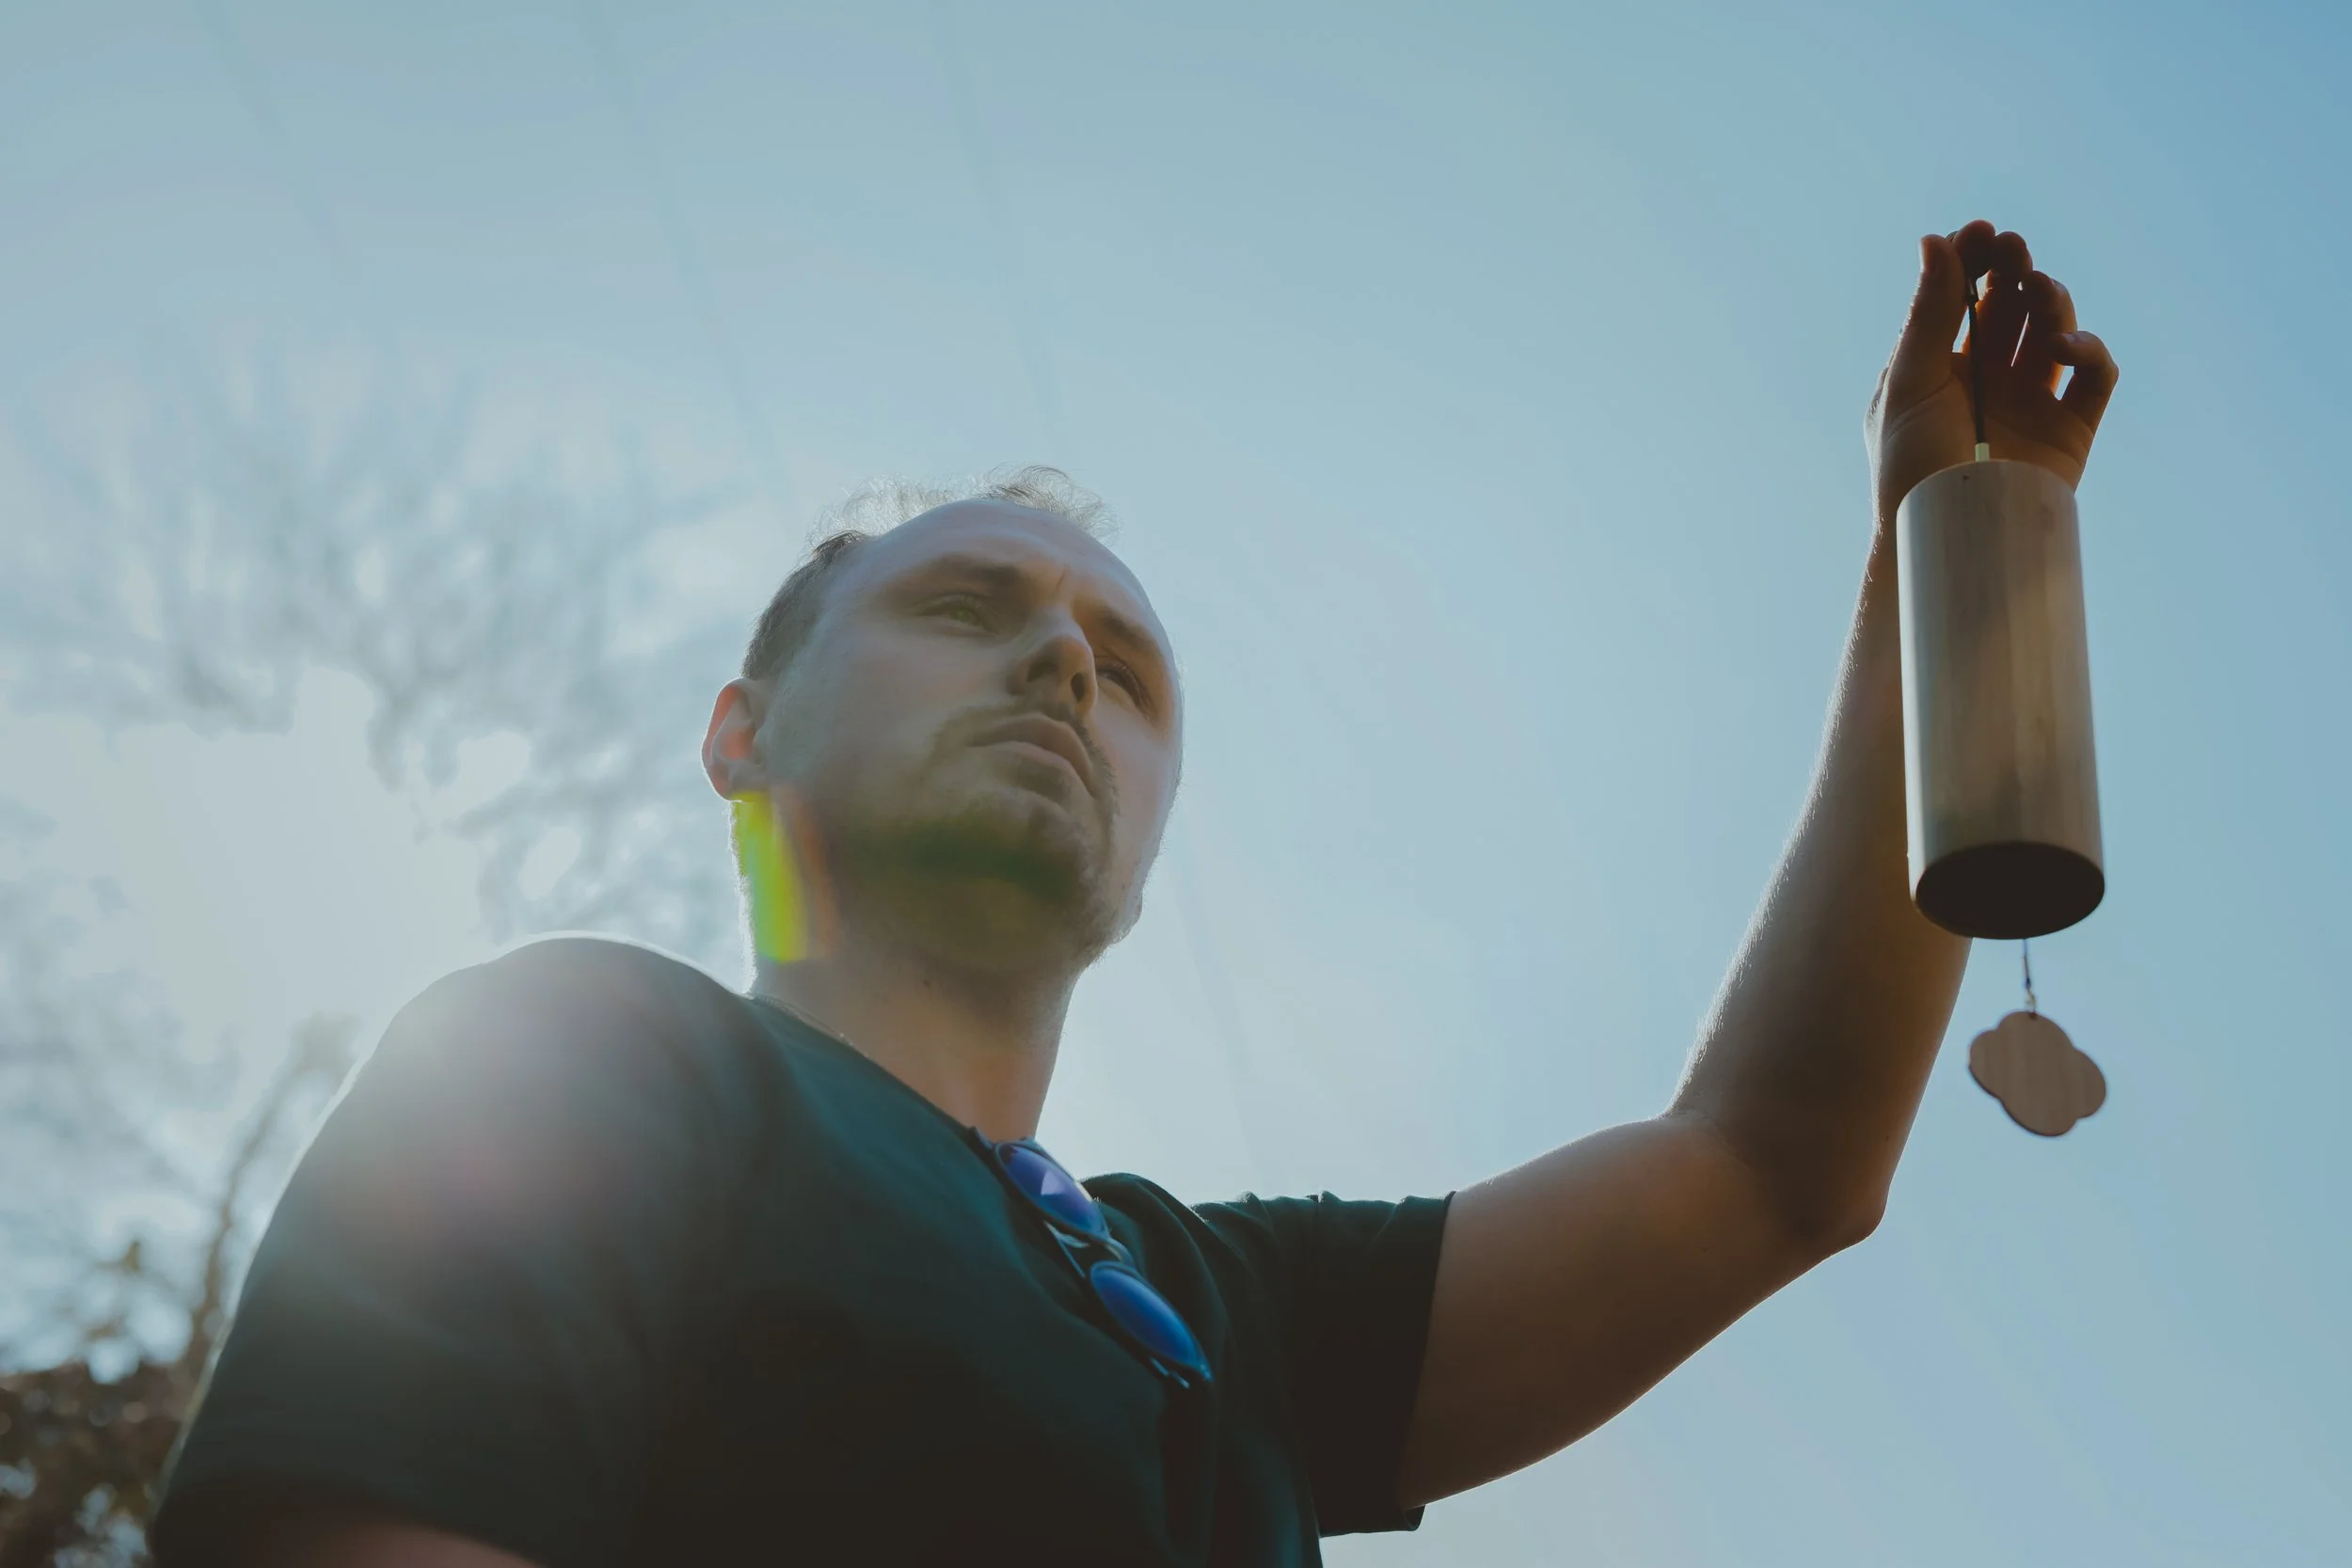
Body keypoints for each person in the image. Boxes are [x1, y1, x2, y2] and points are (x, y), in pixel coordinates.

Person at [151, 222, 2116, 1567]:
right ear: (741, 730)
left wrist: (1956, 568)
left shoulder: (1225, 1307)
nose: (1066, 666)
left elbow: (1770, 1165)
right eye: (961, 605)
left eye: (1129, 661)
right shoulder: (579, 1065)